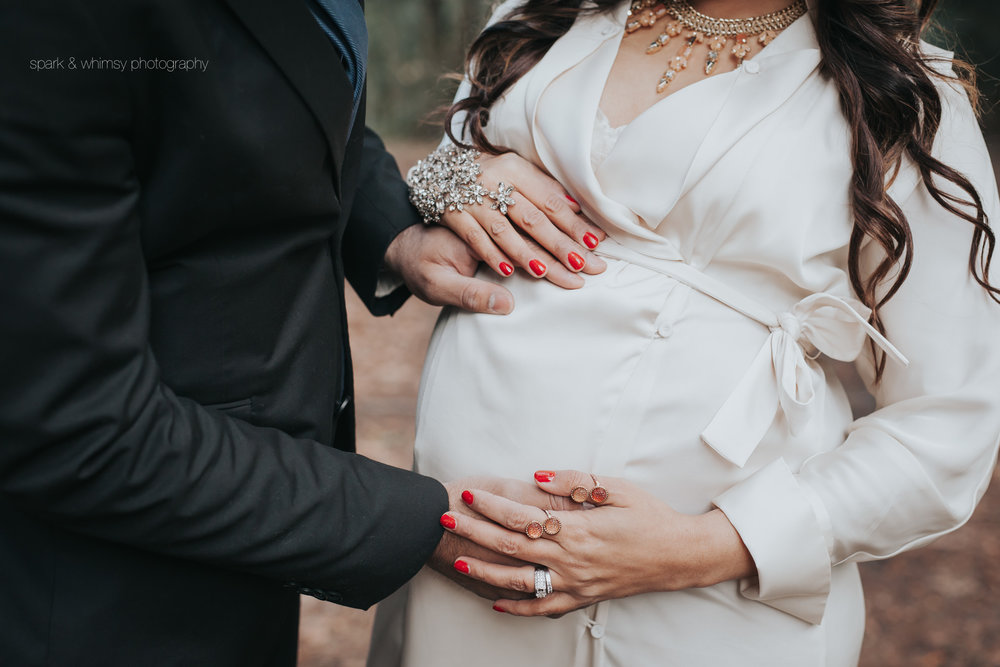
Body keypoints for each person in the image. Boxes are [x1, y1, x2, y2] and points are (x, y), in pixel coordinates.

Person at [369, 0, 1000, 665]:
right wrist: (459, 181)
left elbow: (949, 422)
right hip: (457, 576)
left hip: (704, 604)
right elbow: (442, 177)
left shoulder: (902, 89)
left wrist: (706, 547)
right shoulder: (541, 16)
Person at [0, 0, 609, 665]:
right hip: (104, 599)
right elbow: (74, 423)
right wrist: (423, 526)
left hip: (244, 555)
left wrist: (393, 227)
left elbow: (282, 92)